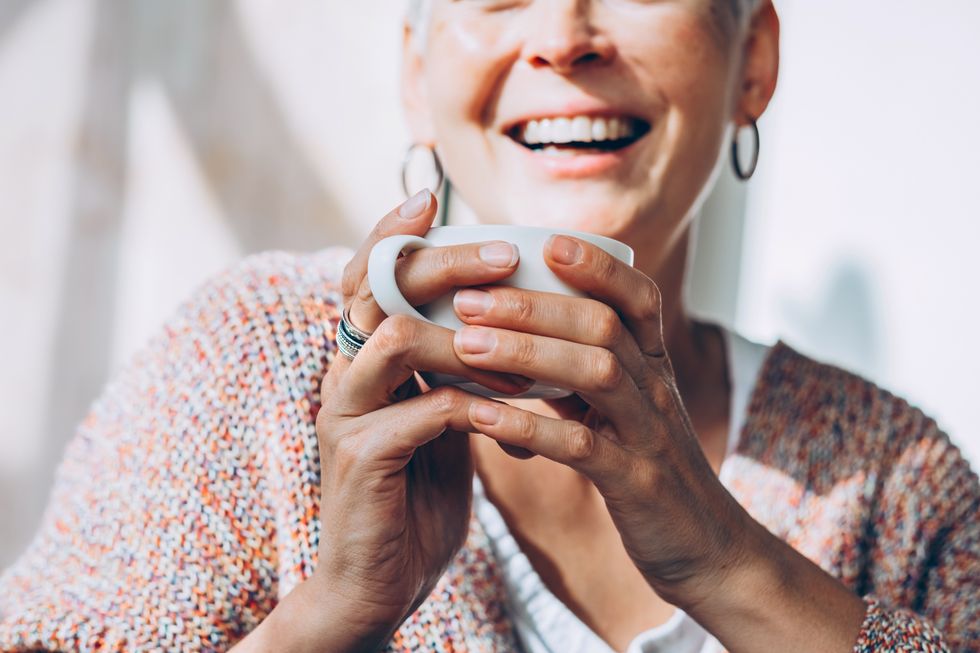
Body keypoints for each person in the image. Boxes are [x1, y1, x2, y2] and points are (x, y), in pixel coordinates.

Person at [0, 0, 977, 651]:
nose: (563, 35)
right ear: (416, 70)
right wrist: (330, 611)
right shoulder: (251, 361)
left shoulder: (892, 482)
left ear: (753, 56)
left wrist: (728, 561)